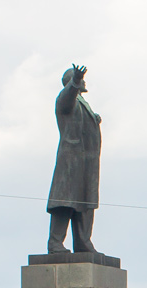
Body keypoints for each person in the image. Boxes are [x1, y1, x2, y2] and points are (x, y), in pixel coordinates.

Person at [46, 64, 103, 254]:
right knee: (64, 202)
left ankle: (83, 242)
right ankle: (55, 243)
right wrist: (75, 81)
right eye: (80, 79)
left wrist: (93, 119)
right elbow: (66, 100)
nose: (84, 81)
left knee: (85, 204)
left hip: (87, 163)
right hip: (71, 160)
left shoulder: (82, 102)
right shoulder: (67, 98)